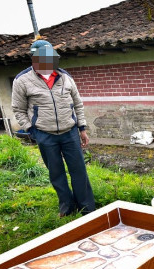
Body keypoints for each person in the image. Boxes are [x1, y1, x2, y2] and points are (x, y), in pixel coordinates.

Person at [12, 40, 96, 217]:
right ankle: (67, 207)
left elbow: (78, 104)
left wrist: (82, 128)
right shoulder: (22, 80)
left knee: (79, 170)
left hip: (70, 132)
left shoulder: (65, 77)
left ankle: (87, 207)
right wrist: (31, 130)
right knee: (56, 173)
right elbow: (18, 109)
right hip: (44, 134)